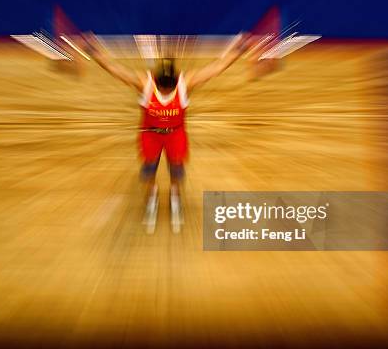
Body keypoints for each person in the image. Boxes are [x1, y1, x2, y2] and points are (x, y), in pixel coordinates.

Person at [79, 33, 264, 234]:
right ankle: (153, 196)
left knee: (177, 172)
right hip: (151, 136)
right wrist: (93, 52)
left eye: (170, 88)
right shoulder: (144, 83)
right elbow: (114, 69)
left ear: (175, 82)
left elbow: (216, 68)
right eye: (163, 88)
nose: (166, 92)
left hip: (175, 136)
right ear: (156, 82)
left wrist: (239, 50)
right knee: (148, 172)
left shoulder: (186, 83)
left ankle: (175, 196)